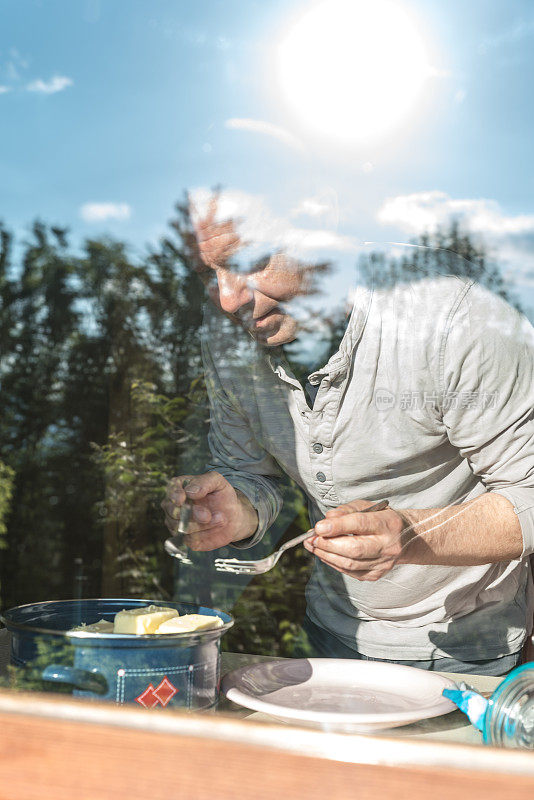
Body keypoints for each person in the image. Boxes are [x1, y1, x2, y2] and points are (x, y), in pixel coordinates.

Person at [162, 196, 534, 675]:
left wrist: (411, 535)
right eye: (209, 273)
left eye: (247, 262)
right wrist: (237, 508)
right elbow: (251, 475)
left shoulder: (455, 318)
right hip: (331, 631)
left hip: (472, 651)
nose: (228, 299)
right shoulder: (225, 338)